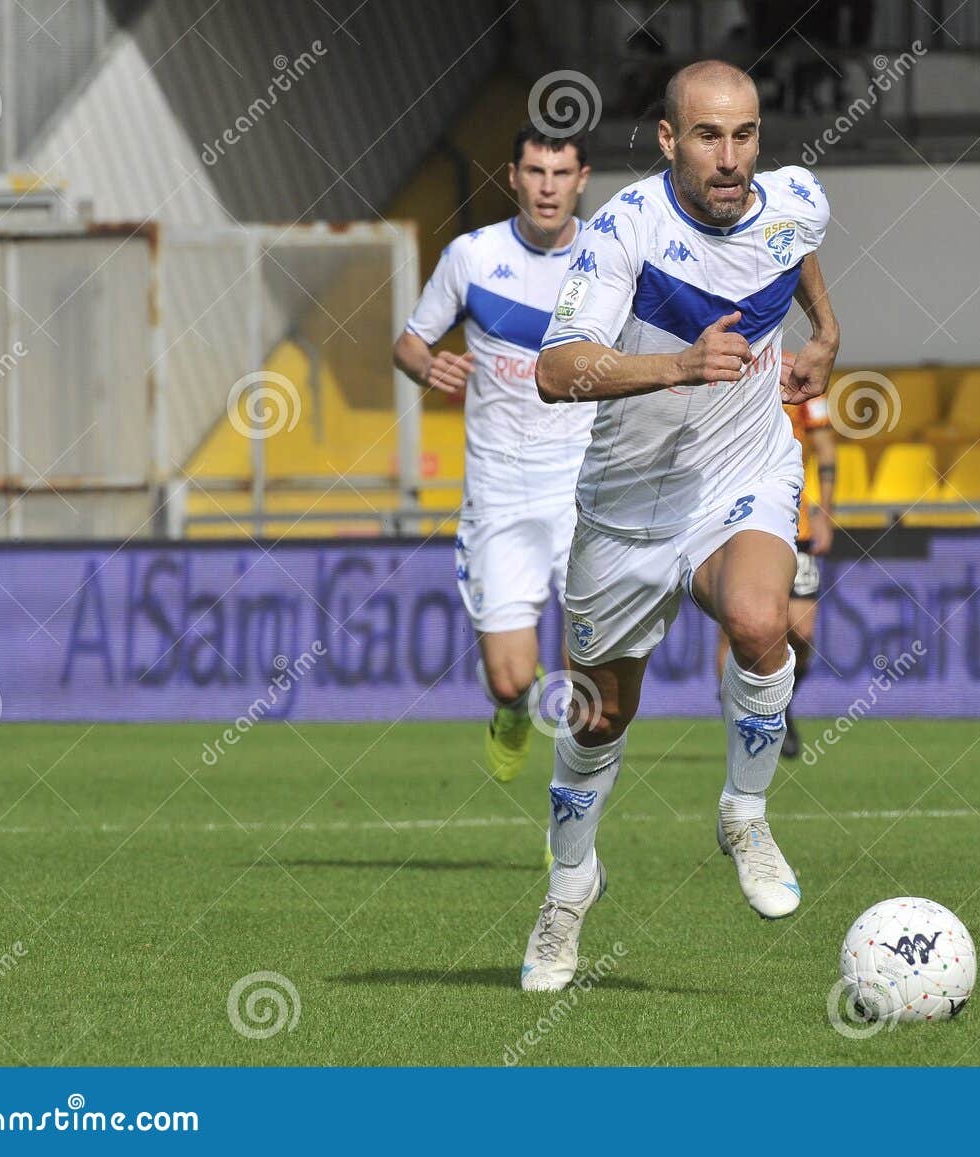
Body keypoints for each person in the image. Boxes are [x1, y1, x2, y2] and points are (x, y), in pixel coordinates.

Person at [521, 60, 840, 991]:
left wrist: (827, 332)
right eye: (709, 137)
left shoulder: (794, 199)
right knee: (597, 715)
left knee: (759, 621)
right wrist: (675, 367)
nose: (731, 157)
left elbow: (800, 242)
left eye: (744, 136)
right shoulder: (626, 230)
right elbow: (556, 369)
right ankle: (570, 886)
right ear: (669, 141)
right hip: (625, 505)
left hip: (739, 472)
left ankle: (744, 814)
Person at [392, 125, 594, 784]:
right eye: (535, 171)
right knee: (510, 678)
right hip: (499, 489)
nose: (547, 186)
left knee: (590, 680)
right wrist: (430, 369)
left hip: (584, 486)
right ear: (512, 175)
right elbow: (410, 343)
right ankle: (509, 708)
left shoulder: (608, 258)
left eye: (560, 174)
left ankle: (572, 831)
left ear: (581, 179)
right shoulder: (471, 257)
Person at [715, 369, 836, 759]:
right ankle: (742, 718)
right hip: (735, 520)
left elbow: (827, 449)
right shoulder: (723, 373)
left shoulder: (799, 376)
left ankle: (779, 703)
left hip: (793, 522)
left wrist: (826, 513)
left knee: (801, 630)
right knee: (739, 625)